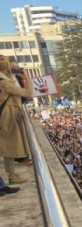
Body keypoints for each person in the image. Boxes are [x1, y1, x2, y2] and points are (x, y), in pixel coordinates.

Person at [0, 55, 33, 185]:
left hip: (3, 114)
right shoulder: (6, 82)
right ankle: (12, 175)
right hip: (8, 116)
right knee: (9, 145)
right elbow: (27, 93)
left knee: (7, 144)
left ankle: (12, 174)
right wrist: (26, 78)